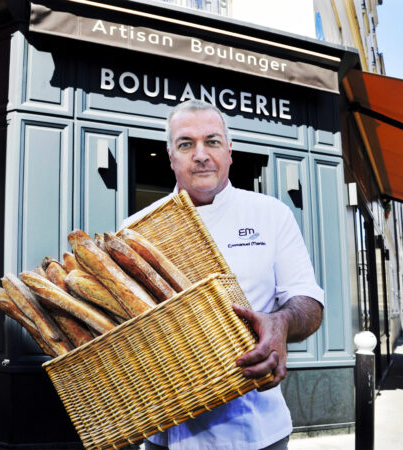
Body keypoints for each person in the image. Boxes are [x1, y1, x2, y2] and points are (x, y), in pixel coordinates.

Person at [121, 100, 324, 450]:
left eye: (212, 141)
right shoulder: (134, 232)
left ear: (230, 152)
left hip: (257, 431)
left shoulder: (270, 214)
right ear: (171, 156)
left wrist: (282, 322)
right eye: (186, 144)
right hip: (163, 433)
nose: (200, 155)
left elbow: (308, 301)